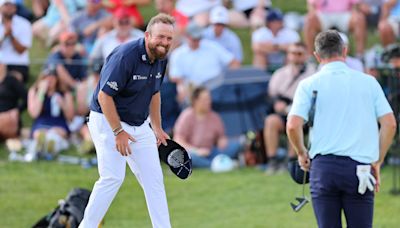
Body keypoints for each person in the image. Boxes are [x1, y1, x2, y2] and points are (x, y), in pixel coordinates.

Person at [286, 30, 397, 228]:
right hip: (360, 168)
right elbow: (390, 124)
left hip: (323, 169)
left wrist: (301, 152)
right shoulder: (368, 82)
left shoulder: (308, 84)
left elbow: (293, 125)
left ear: (317, 56)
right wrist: (378, 161)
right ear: (344, 51)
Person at [79, 13, 175, 228]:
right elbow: (105, 96)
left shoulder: (161, 59)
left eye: (169, 39)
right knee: (112, 177)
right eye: (161, 37)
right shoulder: (126, 56)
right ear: (148, 35)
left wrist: (157, 127)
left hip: (139, 124)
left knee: (154, 181)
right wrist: (117, 132)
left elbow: (155, 93)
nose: (165, 43)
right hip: (107, 120)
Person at [263, 42, 316, 175]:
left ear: (305, 55)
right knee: (271, 121)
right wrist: (276, 104)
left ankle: (292, 160)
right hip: (283, 111)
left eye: (299, 54)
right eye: (293, 53)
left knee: (294, 123)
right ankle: (272, 160)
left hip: (304, 113)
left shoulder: (312, 73)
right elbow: (271, 95)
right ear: (288, 55)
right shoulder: (280, 74)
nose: (296, 57)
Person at [173, 86, 242, 168]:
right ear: (196, 101)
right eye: (205, 99)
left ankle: (217, 163)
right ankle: (215, 165)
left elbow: (221, 136)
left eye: (209, 99)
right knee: (192, 157)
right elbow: (178, 140)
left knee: (238, 144)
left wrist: (222, 140)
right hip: (193, 152)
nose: (208, 102)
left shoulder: (215, 117)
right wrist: (197, 151)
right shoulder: (186, 116)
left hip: (211, 151)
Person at [0, 0, 32, 83]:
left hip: (18, 65)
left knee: (11, 80)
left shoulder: (24, 24)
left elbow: (21, 50)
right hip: (1, 64)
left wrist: (11, 36)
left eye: (12, 5)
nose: (9, 7)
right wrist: (4, 36)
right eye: (6, 5)